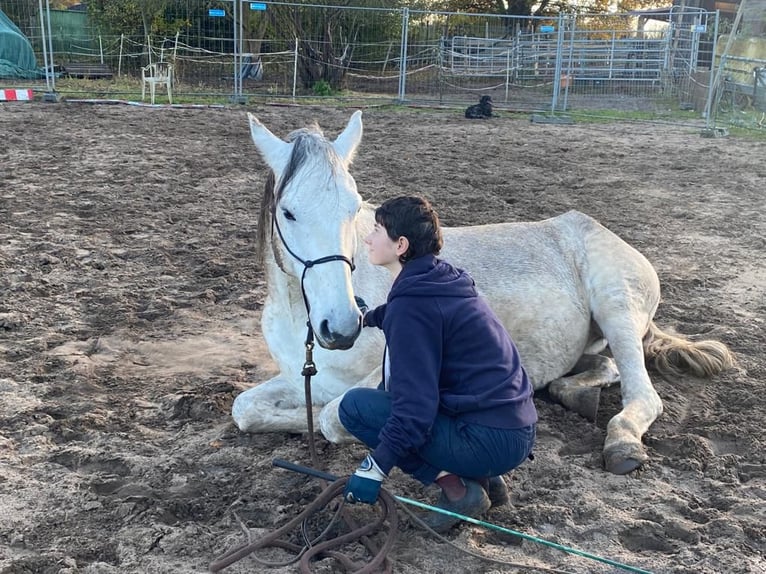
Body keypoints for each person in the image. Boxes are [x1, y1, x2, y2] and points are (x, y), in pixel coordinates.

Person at [339, 196, 537, 532]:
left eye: (376, 230)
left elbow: (413, 411)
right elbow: (409, 314)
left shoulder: (412, 307)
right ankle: (486, 479)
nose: (368, 239)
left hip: (488, 438)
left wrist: (375, 468)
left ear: (401, 245)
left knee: (357, 407)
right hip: (514, 428)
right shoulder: (441, 278)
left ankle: (459, 491)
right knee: (393, 395)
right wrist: (367, 318)